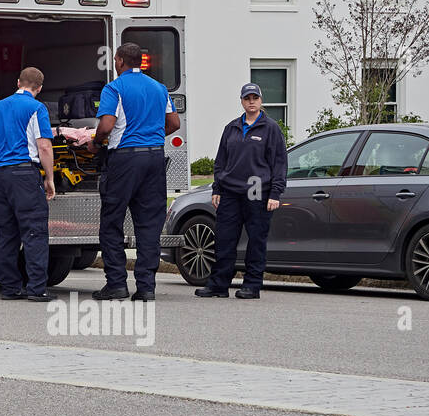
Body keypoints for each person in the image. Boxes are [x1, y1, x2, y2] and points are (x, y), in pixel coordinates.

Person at [90, 44, 181, 300]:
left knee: (112, 223)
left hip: (125, 160)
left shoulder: (114, 88)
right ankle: (146, 287)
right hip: (154, 158)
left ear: (119, 61)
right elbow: (174, 122)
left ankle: (117, 283)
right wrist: (151, 136)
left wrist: (96, 142)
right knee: (149, 225)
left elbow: (107, 125)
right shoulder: (159, 88)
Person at [195, 83, 287, 299]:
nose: (251, 101)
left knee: (256, 239)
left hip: (257, 191)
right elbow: (221, 161)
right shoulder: (232, 128)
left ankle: (252, 285)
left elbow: (280, 163)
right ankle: (218, 285)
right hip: (230, 192)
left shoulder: (271, 128)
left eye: (255, 97)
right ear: (242, 101)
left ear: (261, 100)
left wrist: (275, 193)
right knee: (224, 239)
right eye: (247, 98)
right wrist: (217, 187)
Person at [0, 66, 57, 301]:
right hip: (25, 175)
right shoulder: (37, 108)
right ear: (39, 88)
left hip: (2, 176)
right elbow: (44, 146)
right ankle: (37, 289)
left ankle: (10, 287)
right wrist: (50, 177)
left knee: (6, 234)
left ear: (18, 82)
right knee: (34, 231)